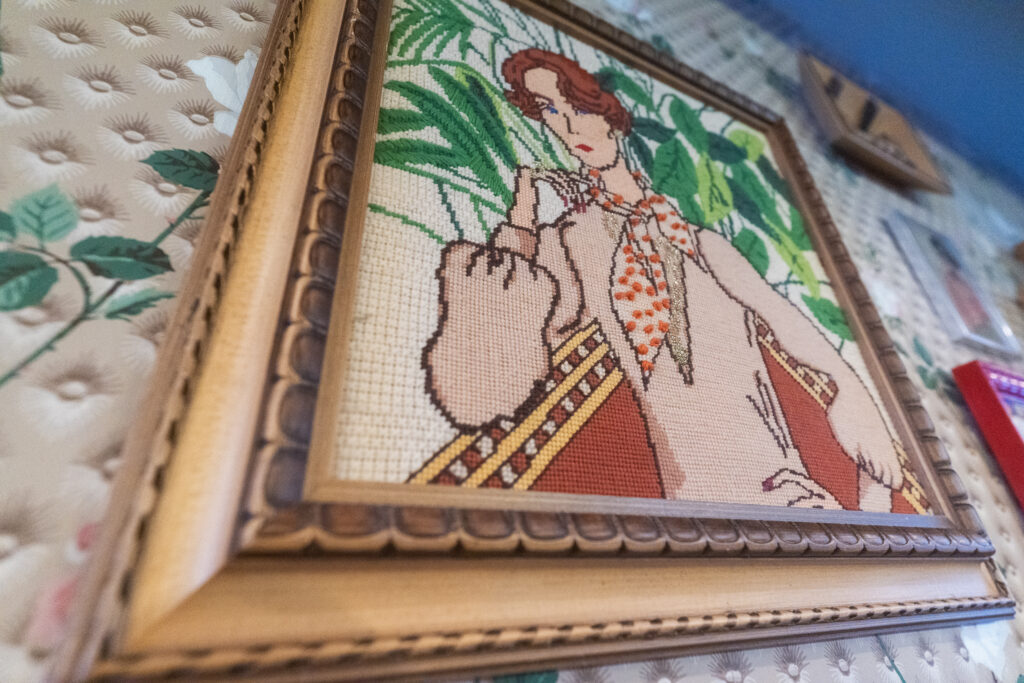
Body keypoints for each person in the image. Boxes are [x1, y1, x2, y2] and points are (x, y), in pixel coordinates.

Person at [413, 48, 923, 512]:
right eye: (549, 111)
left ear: (610, 115)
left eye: (579, 107)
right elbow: (488, 383)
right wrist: (520, 222)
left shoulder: (701, 242)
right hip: (702, 503)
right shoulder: (570, 242)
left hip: (791, 488)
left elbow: (786, 321)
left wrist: (854, 396)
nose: (568, 127)